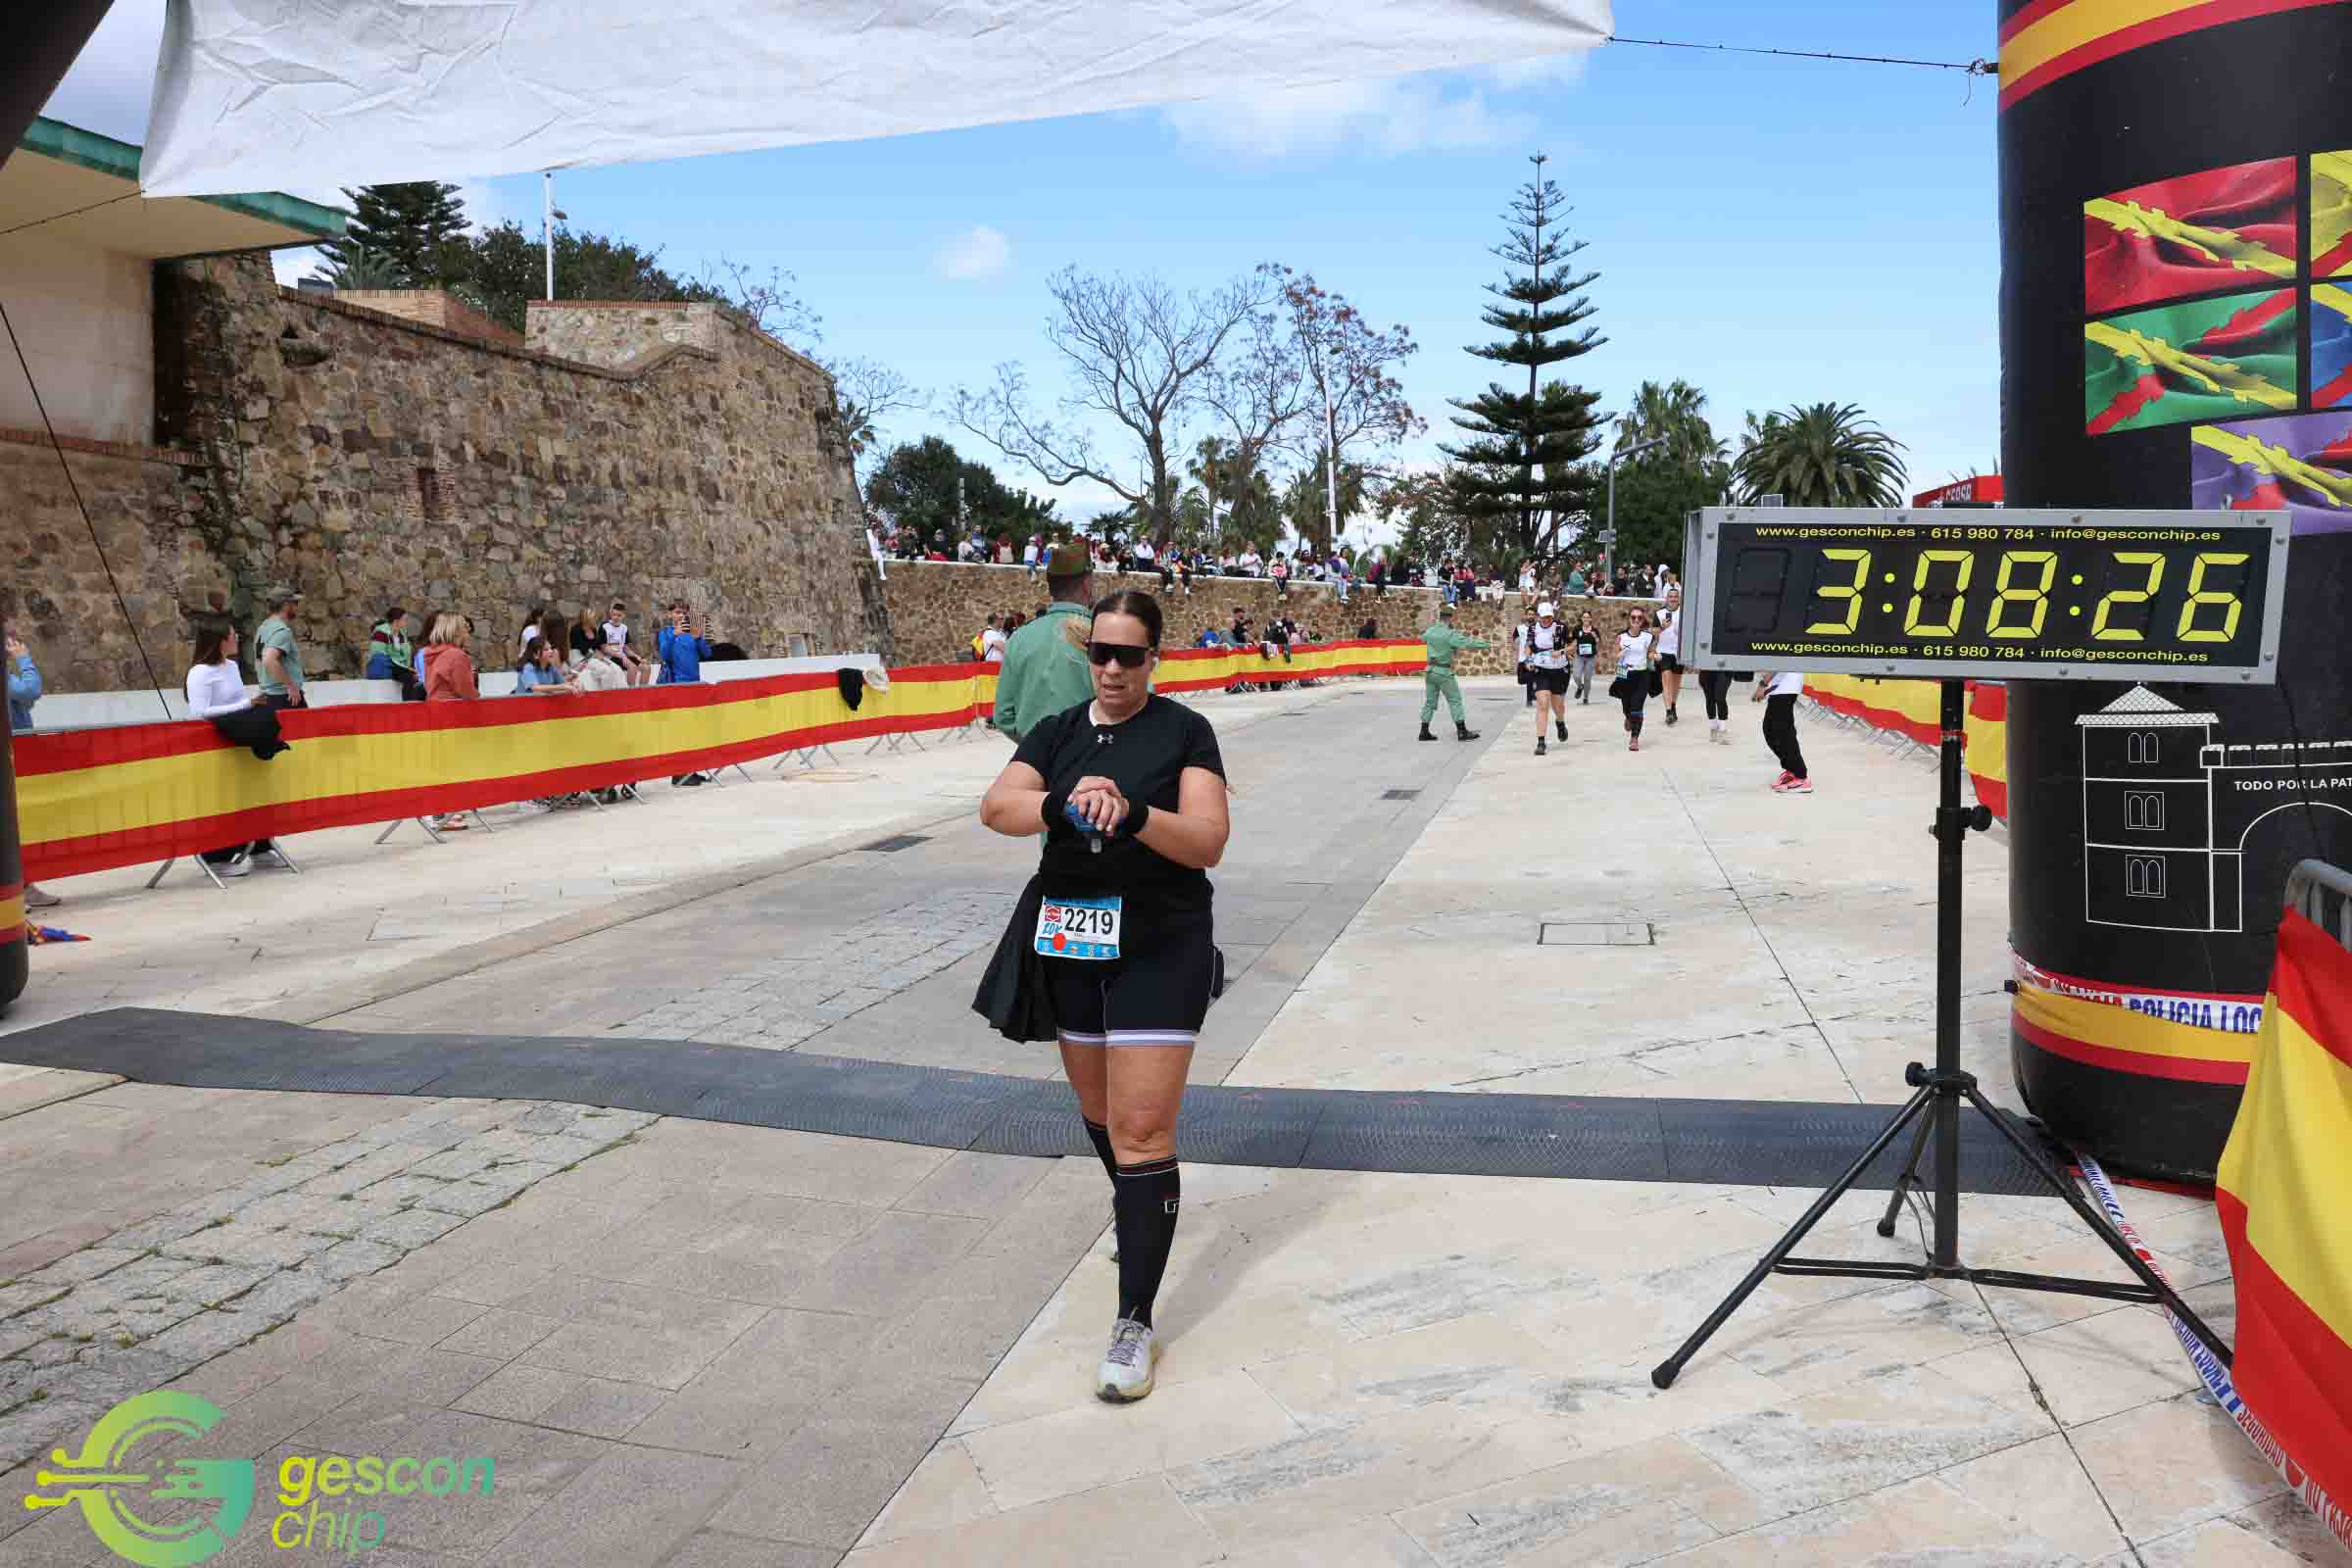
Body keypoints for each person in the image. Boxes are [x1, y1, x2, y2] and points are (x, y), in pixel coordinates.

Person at [976, 588, 1230, 1402]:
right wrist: (1059, 804)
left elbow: (1208, 841)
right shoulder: (1058, 731)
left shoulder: (1185, 731)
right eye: (1101, 654)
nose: (1113, 669)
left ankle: (1134, 1322)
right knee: (1101, 1114)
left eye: (1129, 656)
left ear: (1156, 658)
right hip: (1072, 941)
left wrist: (1134, 813)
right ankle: (1138, 1211)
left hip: (1162, 942)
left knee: (1143, 1127)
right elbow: (996, 807)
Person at [992, 542, 1097, 743]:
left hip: (1035, 757)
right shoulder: (1106, 633)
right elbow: (1140, 701)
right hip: (1094, 755)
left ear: (1050, 586)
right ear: (1087, 584)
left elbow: (1003, 716)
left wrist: (1036, 747)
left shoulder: (1019, 638)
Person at [7, 626, 59, 907]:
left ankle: (23, 887)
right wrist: (24, 659)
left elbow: (25, 698)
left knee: (17, 826)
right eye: (11, 639)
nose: (15, 644)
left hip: (19, 754)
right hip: (11, 755)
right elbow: (30, 690)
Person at [1417, 603, 1488, 744]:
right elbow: (1467, 643)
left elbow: (1423, 638)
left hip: (1430, 671)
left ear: (1440, 617)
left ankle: (1424, 731)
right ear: (1450, 618)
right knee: (1455, 700)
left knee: (1430, 702)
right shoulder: (1450, 634)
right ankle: (1462, 731)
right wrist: (1485, 644)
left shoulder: (1430, 631)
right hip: (1443, 672)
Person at [1753, 667, 1813, 792]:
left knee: (1782, 733)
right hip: (1781, 687)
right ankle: (1792, 770)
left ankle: (1801, 777)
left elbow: (1778, 663)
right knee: (1771, 730)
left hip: (1786, 688)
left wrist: (1763, 685)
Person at [1524, 602, 1571, 756]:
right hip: (1541, 669)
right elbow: (1528, 646)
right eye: (1543, 617)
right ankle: (1541, 742)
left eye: (1549, 617)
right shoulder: (1533, 629)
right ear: (1538, 616)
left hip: (1559, 669)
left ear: (1553, 616)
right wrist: (1528, 660)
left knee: (1558, 706)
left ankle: (1560, 722)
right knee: (1543, 703)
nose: (1546, 620)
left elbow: (1574, 646)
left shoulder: (1561, 627)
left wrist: (1562, 651)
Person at [253, 585, 308, 711]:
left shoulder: (263, 628)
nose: (297, 607)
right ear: (286, 605)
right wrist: (291, 686)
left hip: (267, 696)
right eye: (295, 603)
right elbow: (269, 660)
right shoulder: (282, 631)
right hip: (285, 698)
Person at [1615, 606, 1656, 752]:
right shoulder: (1621, 636)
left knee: (1637, 707)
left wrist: (1655, 656)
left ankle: (1634, 738)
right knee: (1627, 706)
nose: (1636, 620)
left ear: (1643, 620)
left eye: (1639, 617)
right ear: (1629, 619)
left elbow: (1650, 653)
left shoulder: (1648, 637)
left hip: (1642, 674)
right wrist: (1619, 654)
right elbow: (1615, 654)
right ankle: (1628, 716)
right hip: (1624, 673)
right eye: (1633, 617)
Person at [367, 606, 420, 698]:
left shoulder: (402, 634)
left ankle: (409, 702)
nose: (406, 622)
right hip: (386, 666)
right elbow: (378, 654)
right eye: (404, 620)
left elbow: (406, 655)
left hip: (398, 667)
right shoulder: (380, 633)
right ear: (396, 621)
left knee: (413, 677)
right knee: (409, 677)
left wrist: (408, 668)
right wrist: (402, 667)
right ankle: (408, 702)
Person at [1656, 587, 1685, 726]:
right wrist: (1662, 627)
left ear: (1678, 599)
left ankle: (1673, 705)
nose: (1673, 599)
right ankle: (1668, 711)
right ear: (1666, 598)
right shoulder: (1659, 613)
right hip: (1663, 652)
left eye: (1675, 596)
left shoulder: (1684, 613)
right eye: (1670, 596)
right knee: (1666, 678)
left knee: (1676, 683)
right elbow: (1653, 631)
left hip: (1679, 652)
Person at [1698, 664, 1737, 745]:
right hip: (1707, 668)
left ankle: (1722, 730)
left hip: (1724, 668)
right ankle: (1713, 728)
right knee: (1709, 699)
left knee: (1720, 697)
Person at [1572, 611, 1601, 704]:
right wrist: (1572, 648)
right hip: (1579, 656)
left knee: (1587, 678)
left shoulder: (1594, 630)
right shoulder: (1577, 629)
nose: (1586, 619)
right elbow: (1573, 641)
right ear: (1581, 619)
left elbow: (1599, 642)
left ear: (1591, 619)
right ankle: (1580, 686)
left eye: (1588, 617)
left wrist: (1595, 637)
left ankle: (1585, 697)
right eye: (1584, 617)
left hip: (1590, 657)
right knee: (1576, 675)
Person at [1513, 607, 1539, 708]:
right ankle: (1534, 688)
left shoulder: (1538, 628)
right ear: (1526, 616)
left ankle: (1529, 700)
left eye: (1533, 614)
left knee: (1530, 678)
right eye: (1529, 614)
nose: (1531, 616)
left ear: (1535, 616)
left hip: (1534, 658)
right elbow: (1516, 642)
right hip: (1522, 658)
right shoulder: (1519, 628)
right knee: (1521, 680)